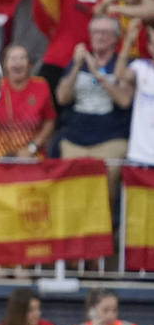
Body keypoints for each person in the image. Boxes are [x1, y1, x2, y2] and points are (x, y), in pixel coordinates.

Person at [57, 16, 134, 206]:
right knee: (73, 193)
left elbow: (124, 100)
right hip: (75, 138)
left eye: (104, 33)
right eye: (95, 32)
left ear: (116, 38)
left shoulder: (123, 64)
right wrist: (76, 66)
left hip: (110, 139)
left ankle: (105, 232)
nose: (99, 37)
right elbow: (62, 97)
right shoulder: (78, 62)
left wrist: (97, 73)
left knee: (101, 195)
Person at [0, 44, 55, 158]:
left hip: (31, 154)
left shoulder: (41, 86)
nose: (18, 63)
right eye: (13, 59)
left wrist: (32, 147)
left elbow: (50, 121)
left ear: (29, 64)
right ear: (5, 65)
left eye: (22, 58)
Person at [118, 21, 154, 165]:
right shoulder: (140, 67)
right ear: (149, 46)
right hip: (139, 155)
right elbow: (119, 74)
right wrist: (128, 41)